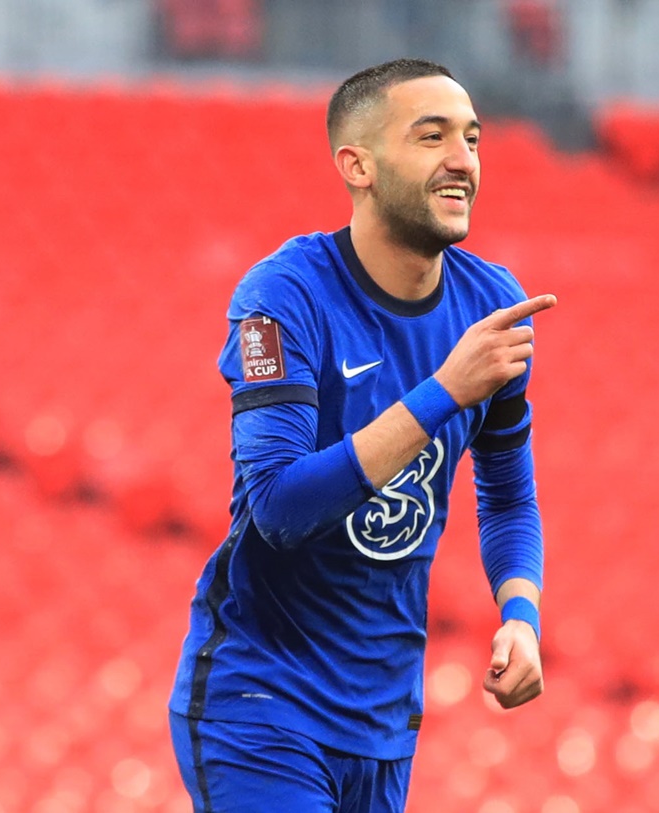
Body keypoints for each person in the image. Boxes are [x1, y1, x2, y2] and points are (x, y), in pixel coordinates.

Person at [168, 58, 556, 813]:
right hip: (260, 700)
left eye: (473, 139)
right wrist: (446, 389)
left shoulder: (492, 303)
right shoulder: (283, 297)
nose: (462, 160)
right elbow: (278, 506)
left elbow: (509, 495)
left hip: (383, 722)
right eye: (432, 136)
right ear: (358, 165)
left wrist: (521, 612)